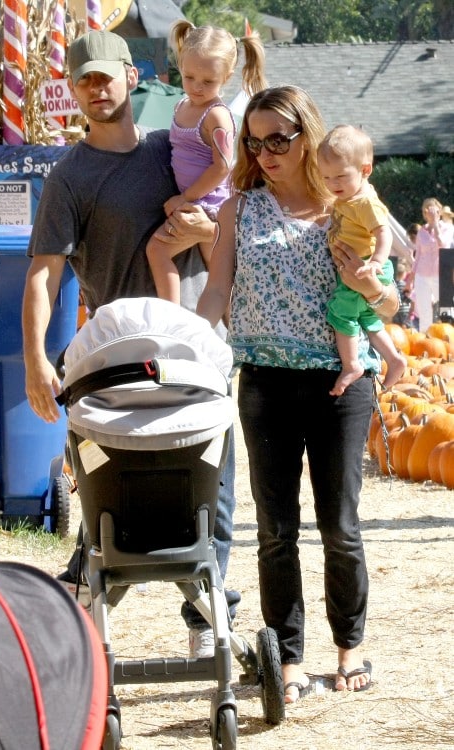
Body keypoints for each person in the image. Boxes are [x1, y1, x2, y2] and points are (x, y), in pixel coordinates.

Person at [22, 30, 239, 659]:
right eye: (82, 79)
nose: (95, 88)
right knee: (108, 489)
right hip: (116, 364)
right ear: (72, 88)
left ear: (133, 74)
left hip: (195, 351)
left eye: (104, 76)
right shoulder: (70, 178)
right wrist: (37, 355)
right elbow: (44, 271)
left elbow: (226, 214)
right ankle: (82, 610)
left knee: (210, 491)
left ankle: (208, 620)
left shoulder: (174, 149)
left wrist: (205, 227)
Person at [196, 85, 399, 703]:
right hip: (263, 385)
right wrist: (189, 346)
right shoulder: (237, 210)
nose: (265, 153)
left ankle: (350, 647)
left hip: (341, 385)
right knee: (276, 529)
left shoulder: (353, 209)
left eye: (278, 140)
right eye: (254, 142)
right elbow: (216, 293)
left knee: (340, 525)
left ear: (307, 135)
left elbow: (390, 305)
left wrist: (370, 284)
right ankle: (285, 659)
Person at [146, 20, 266, 304]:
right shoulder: (182, 105)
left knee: (157, 251)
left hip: (207, 204)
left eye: (208, 81)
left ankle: (171, 319)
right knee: (220, 282)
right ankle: (235, 333)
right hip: (200, 202)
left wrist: (184, 197)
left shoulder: (216, 116)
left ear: (226, 77)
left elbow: (222, 166)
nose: (197, 87)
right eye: (189, 78)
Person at [316, 125, 405, 395]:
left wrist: (376, 263)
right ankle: (394, 358)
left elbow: (383, 232)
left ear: (365, 170)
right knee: (365, 316)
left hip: (364, 266)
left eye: (341, 176)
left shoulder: (365, 202)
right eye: (327, 177)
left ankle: (352, 364)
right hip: (361, 265)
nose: (333, 184)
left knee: (341, 312)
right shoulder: (351, 197)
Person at [411, 197, 453, 331]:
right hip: (422, 275)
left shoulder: (447, 228)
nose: (429, 213)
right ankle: (425, 339)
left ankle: (450, 337)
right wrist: (411, 279)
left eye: (432, 209)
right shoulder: (421, 231)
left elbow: (444, 246)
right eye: (426, 210)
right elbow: (417, 256)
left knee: (447, 308)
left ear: (439, 211)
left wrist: (435, 225)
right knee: (424, 311)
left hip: (442, 273)